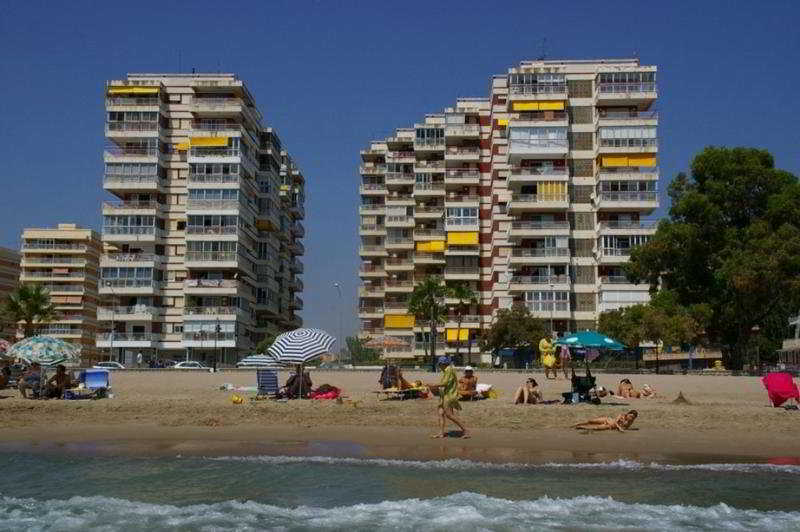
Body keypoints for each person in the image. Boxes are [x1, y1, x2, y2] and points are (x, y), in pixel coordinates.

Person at [427, 357, 469, 438]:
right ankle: (441, 433)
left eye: (439, 364)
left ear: (443, 364)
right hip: (444, 395)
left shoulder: (449, 370)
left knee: (449, 415)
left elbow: (445, 383)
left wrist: (433, 385)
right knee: (440, 413)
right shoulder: (447, 370)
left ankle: (465, 430)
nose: (439, 366)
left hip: (449, 395)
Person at [573, 410, 638, 432]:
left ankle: (581, 427)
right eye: (631, 416)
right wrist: (619, 427)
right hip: (607, 419)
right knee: (591, 421)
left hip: (609, 426)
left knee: (596, 428)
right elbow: (616, 421)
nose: (631, 418)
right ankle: (576, 424)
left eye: (633, 417)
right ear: (628, 414)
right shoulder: (622, 415)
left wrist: (620, 427)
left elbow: (625, 427)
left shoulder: (629, 422)